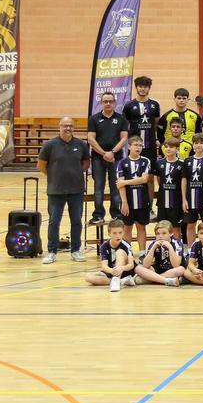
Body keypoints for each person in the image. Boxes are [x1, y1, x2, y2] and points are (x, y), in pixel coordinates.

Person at [38, 117, 91, 263]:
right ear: (59, 127)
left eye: (70, 126)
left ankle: (75, 250)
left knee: (76, 221)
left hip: (76, 190)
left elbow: (86, 163)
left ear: (74, 128)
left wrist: (74, 172)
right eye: (65, 125)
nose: (68, 128)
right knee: (54, 221)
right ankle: (52, 251)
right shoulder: (50, 145)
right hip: (55, 190)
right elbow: (41, 165)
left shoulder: (80, 145)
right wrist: (54, 175)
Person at [86, 92, 129, 225]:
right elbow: (91, 139)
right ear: (101, 103)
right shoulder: (94, 119)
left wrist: (112, 152)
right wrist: (104, 153)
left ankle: (116, 214)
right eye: (105, 101)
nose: (108, 103)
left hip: (116, 158)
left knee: (115, 186)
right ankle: (98, 215)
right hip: (98, 158)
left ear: (115, 102)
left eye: (111, 101)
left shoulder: (121, 119)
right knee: (98, 186)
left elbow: (124, 138)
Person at [115, 135, 153, 251]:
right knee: (127, 228)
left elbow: (144, 179)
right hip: (128, 202)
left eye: (140, 145)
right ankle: (128, 252)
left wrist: (125, 182)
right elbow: (120, 186)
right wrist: (124, 202)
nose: (138, 147)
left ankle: (142, 252)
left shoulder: (145, 161)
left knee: (141, 227)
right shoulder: (122, 163)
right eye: (135, 145)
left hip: (142, 200)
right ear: (129, 147)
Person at [182, 134, 203, 248]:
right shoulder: (187, 161)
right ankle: (191, 249)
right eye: (196, 143)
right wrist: (184, 200)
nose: (198, 145)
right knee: (190, 226)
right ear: (193, 145)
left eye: (201, 143)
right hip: (190, 200)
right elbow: (184, 180)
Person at [85, 219, 135, 292]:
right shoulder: (104, 246)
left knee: (120, 252)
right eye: (114, 233)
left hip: (124, 271)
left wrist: (121, 268)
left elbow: (131, 265)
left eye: (120, 233)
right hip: (112, 272)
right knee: (88, 277)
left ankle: (117, 280)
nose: (118, 236)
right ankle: (120, 281)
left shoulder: (126, 245)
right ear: (109, 234)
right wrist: (111, 271)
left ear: (123, 232)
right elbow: (104, 266)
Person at [132, 220, 184, 286]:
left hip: (172, 270)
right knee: (138, 268)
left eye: (164, 233)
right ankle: (166, 280)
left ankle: (153, 279)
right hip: (158, 269)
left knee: (181, 269)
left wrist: (170, 247)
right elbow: (146, 265)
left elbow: (176, 265)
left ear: (171, 233)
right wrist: (153, 248)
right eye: (157, 234)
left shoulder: (177, 243)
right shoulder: (154, 243)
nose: (160, 236)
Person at [153, 139, 186, 240]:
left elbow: (183, 182)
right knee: (161, 227)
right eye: (166, 147)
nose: (168, 149)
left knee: (176, 228)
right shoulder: (159, 163)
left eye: (171, 147)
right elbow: (159, 180)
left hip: (176, 201)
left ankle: (177, 250)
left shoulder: (182, 164)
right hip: (162, 201)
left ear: (177, 149)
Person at [121, 75, 160, 154]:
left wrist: (156, 139)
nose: (142, 89)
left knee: (150, 165)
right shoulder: (129, 105)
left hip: (150, 144)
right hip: (134, 144)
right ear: (136, 87)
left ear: (149, 88)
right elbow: (125, 124)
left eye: (145, 87)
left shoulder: (155, 104)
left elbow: (156, 122)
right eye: (140, 86)